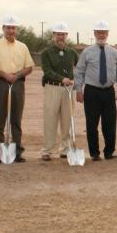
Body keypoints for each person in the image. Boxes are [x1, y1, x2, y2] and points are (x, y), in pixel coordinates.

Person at [0, 15, 34, 163]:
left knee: (16, 119)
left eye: (13, 28)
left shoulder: (23, 46)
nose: (11, 30)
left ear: (16, 29)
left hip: (18, 84)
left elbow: (29, 67)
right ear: (3, 29)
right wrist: (4, 75)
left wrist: (17, 75)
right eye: (8, 28)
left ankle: (17, 151)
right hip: (0, 84)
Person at [75, 21, 117, 161]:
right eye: (99, 32)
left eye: (104, 32)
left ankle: (109, 152)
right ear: (94, 34)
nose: (101, 35)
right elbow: (79, 72)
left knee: (110, 123)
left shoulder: (114, 52)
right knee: (91, 123)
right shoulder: (87, 52)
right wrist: (79, 90)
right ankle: (94, 153)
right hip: (91, 92)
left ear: (107, 34)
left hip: (108, 92)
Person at [40, 22, 79, 161]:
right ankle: (47, 150)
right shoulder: (46, 53)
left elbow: (79, 69)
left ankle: (65, 148)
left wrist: (75, 80)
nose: (60, 37)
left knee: (67, 120)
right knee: (50, 119)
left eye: (63, 34)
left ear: (66, 35)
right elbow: (47, 71)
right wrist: (61, 78)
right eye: (58, 34)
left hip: (68, 89)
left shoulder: (72, 52)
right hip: (52, 88)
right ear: (53, 36)